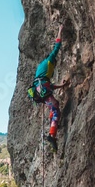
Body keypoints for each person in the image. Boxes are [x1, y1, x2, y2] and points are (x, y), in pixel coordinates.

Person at [28, 23, 70, 152]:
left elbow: (48, 85)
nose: (55, 65)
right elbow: (57, 46)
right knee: (56, 110)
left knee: (54, 105)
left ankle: (53, 123)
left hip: (40, 90)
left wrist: (61, 86)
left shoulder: (41, 67)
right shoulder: (50, 60)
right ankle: (52, 135)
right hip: (43, 90)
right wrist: (60, 30)